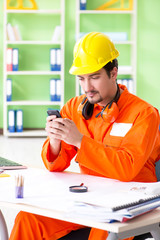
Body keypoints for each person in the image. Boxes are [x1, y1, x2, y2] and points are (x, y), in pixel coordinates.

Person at [9, 32, 160, 240]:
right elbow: (55, 165)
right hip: (92, 197)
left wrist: (79, 140)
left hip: (131, 202)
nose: (87, 87)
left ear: (113, 73)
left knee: (102, 231)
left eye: (95, 77)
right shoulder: (74, 107)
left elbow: (127, 169)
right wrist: (55, 141)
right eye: (81, 78)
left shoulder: (144, 113)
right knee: (28, 219)